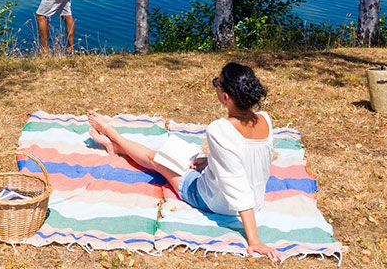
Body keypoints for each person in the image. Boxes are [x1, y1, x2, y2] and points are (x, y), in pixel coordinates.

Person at [87, 62, 280, 262]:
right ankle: (118, 147)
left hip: (216, 200)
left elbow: (236, 183)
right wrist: (212, 161)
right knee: (178, 155)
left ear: (226, 97)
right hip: (255, 199)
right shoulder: (264, 120)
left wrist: (254, 240)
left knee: (157, 158)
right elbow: (250, 159)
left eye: (217, 82)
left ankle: (112, 136)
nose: (215, 86)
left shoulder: (220, 129)